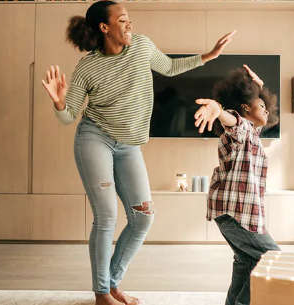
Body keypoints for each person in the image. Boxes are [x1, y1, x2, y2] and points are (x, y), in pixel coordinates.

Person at [41, 1, 235, 304]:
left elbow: (169, 67)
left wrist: (208, 56)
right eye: (122, 20)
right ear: (105, 28)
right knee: (106, 216)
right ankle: (101, 292)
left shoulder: (142, 46)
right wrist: (59, 103)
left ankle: (113, 282)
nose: (129, 24)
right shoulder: (87, 67)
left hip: (129, 145)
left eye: (129, 19)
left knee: (142, 218)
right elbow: (68, 117)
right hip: (96, 139)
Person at [193, 64, 279, 305]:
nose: (265, 108)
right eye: (259, 104)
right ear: (244, 108)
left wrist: (259, 87)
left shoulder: (253, 132)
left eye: (265, 105)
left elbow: (262, 116)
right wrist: (218, 109)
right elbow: (230, 120)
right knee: (272, 259)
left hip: (237, 214)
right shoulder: (239, 131)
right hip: (235, 214)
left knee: (247, 263)